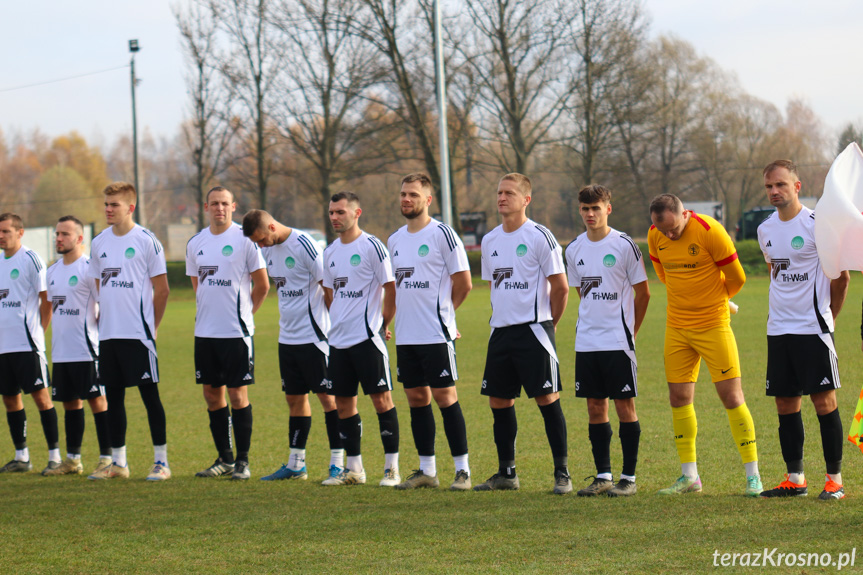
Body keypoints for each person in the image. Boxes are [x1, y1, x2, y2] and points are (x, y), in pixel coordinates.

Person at [648, 193, 762, 496]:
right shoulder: (654, 235)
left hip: (713, 326)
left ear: (685, 214)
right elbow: (663, 274)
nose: (669, 235)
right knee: (678, 398)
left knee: (731, 396)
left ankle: (753, 475)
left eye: (674, 229)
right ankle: (690, 477)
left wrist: (718, 299)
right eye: (664, 231)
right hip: (677, 329)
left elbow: (737, 278)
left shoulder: (711, 231)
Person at [756, 160, 850, 500]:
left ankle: (835, 480)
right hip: (778, 330)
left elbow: (842, 278)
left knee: (823, 401)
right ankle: (795, 479)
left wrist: (830, 317)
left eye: (780, 184)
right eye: (769, 186)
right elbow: (775, 273)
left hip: (813, 329)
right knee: (785, 402)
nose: (774, 191)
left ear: (797, 186)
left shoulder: (816, 225)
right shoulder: (765, 229)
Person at [473, 173, 571, 494]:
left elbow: (561, 288)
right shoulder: (489, 240)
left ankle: (562, 473)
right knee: (499, 402)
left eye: (509, 193)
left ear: (526, 199)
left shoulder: (540, 236)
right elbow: (494, 287)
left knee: (547, 399)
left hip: (534, 331)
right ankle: (507, 473)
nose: (502, 198)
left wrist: (549, 323)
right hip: (500, 333)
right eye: (499, 192)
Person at [241, 209, 345, 483]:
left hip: (315, 337)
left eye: (262, 239)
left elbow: (329, 287)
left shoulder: (304, 245)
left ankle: (338, 463)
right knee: (294, 399)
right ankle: (296, 464)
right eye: (257, 243)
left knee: (328, 399)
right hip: (287, 338)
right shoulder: (267, 250)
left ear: (272, 227)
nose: (260, 246)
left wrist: (337, 329)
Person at [387, 173, 473, 490]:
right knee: (416, 399)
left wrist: (446, 316)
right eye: (402, 194)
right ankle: (427, 471)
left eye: (412, 194)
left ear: (428, 199)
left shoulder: (443, 235)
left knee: (445, 397)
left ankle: (462, 471)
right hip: (406, 335)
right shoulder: (394, 240)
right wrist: (387, 321)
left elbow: (463, 283)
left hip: (436, 334)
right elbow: (394, 289)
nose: (406, 199)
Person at [565, 185, 650, 497]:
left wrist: (632, 331)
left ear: (608, 209)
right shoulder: (573, 249)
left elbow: (644, 294)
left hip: (618, 341)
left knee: (624, 406)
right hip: (587, 341)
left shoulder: (625, 245)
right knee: (594, 406)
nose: (590, 214)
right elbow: (582, 294)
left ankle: (628, 478)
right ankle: (603, 475)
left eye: (596, 208)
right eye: (585, 209)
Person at [87, 182, 171, 481]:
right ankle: (119, 463)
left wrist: (153, 328)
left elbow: (162, 291)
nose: (108, 209)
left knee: (150, 396)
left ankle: (161, 462)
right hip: (109, 335)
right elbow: (97, 285)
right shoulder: (98, 243)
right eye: (106, 204)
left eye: (115, 205)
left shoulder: (147, 241)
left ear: (130, 207)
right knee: (115, 398)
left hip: (138, 335)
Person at [187, 187, 268, 480]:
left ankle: (243, 461)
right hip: (206, 332)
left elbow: (263, 285)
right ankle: (225, 458)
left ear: (233, 206)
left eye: (225, 203)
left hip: (237, 333)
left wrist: (247, 316)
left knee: (237, 393)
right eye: (214, 203)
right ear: (205, 206)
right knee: (212, 395)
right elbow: (198, 287)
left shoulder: (245, 240)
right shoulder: (195, 243)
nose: (219, 208)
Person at [320, 192, 400, 486]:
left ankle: (391, 469)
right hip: (338, 341)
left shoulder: (372, 247)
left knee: (382, 401)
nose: (335, 218)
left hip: (367, 338)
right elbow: (330, 293)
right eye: (331, 212)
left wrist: (383, 323)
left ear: (357, 213)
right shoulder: (329, 253)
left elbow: (390, 288)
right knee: (343, 404)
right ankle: (354, 469)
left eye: (340, 212)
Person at [43, 216, 112, 476]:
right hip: (62, 351)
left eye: (65, 234)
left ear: (80, 238)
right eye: (57, 233)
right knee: (70, 403)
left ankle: (107, 457)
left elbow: (104, 304)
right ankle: (72, 460)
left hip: (87, 350)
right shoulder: (52, 271)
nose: (58, 238)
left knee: (98, 401)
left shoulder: (88, 269)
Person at [0, 213, 60, 474]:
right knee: (10, 400)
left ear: (20, 232)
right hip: (3, 347)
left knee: (42, 398)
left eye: (6, 231)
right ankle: (21, 457)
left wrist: (40, 331)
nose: (1, 236)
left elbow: (47, 299)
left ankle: (55, 456)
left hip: (27, 345)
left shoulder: (30, 260)